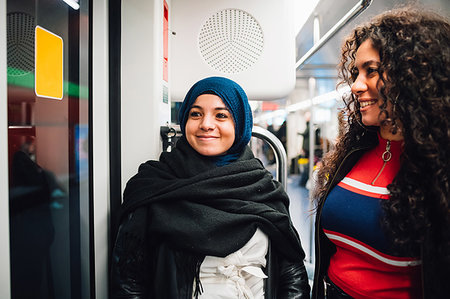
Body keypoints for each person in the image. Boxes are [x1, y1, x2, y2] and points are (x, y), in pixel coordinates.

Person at [111, 76, 311, 298]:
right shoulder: (153, 186)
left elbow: (292, 276)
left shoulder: (263, 188)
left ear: (240, 123)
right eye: (195, 114)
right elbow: (129, 283)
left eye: (221, 115)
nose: (206, 124)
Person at [311, 6, 449, 299]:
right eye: (355, 73)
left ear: (414, 74)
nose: (357, 86)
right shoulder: (353, 151)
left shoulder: (438, 167)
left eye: (371, 71)